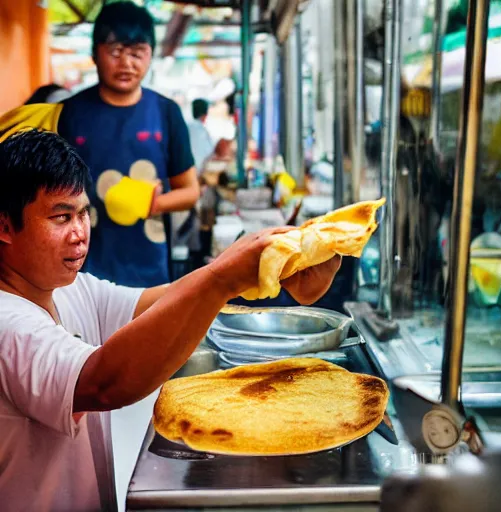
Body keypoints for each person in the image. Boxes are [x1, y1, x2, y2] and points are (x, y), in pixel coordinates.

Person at [0, 129, 342, 512]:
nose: (79, 233)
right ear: (5, 227)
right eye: (61, 217)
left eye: (83, 214)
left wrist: (260, 264)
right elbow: (103, 383)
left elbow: (153, 305)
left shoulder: (66, 288)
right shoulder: (8, 325)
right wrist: (223, 278)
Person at [0, 2, 200, 288]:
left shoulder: (166, 113)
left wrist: (152, 203)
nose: (127, 63)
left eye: (137, 53)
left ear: (151, 56)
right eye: (115, 51)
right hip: (79, 269)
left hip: (149, 268)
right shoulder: (68, 113)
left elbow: (190, 191)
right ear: (95, 54)